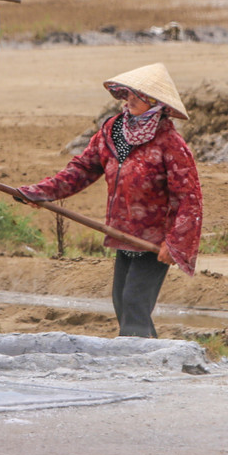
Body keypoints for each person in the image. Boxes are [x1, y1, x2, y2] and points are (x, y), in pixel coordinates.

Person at [17, 63, 203, 338]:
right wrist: (42, 192)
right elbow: (81, 169)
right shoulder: (113, 132)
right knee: (122, 304)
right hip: (122, 233)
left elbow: (189, 198)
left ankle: (142, 368)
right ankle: (144, 365)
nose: (130, 100)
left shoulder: (170, 143)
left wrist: (175, 242)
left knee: (134, 304)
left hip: (152, 242)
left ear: (156, 103)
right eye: (129, 94)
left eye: (139, 96)